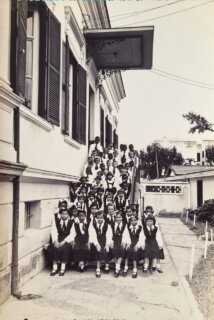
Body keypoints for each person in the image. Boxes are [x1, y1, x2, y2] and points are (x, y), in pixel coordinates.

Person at [50, 208, 73, 276]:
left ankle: (62, 268)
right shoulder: (56, 222)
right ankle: (55, 268)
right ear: (60, 215)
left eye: (65, 214)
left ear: (68, 215)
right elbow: (53, 231)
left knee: (65, 248)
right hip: (58, 238)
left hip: (66, 239)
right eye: (62, 214)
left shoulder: (71, 223)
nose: (64, 215)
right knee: (54, 248)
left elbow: (72, 234)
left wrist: (64, 241)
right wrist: (55, 241)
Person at [90, 211, 113, 277]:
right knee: (98, 251)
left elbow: (109, 235)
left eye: (101, 218)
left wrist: (107, 244)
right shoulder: (93, 225)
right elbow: (93, 235)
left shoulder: (107, 225)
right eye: (98, 218)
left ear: (103, 218)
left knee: (106, 250)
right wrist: (97, 244)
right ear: (96, 218)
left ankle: (107, 265)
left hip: (105, 240)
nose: (99, 219)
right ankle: (98, 268)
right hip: (97, 240)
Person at [111, 211, 130, 277]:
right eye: (117, 217)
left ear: (122, 218)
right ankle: (117, 267)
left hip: (121, 239)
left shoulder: (124, 225)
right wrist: (111, 242)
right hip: (115, 240)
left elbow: (126, 234)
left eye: (120, 217)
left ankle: (117, 269)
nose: (118, 219)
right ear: (115, 218)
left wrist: (124, 242)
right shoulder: (112, 225)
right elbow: (110, 234)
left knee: (121, 249)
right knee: (114, 250)